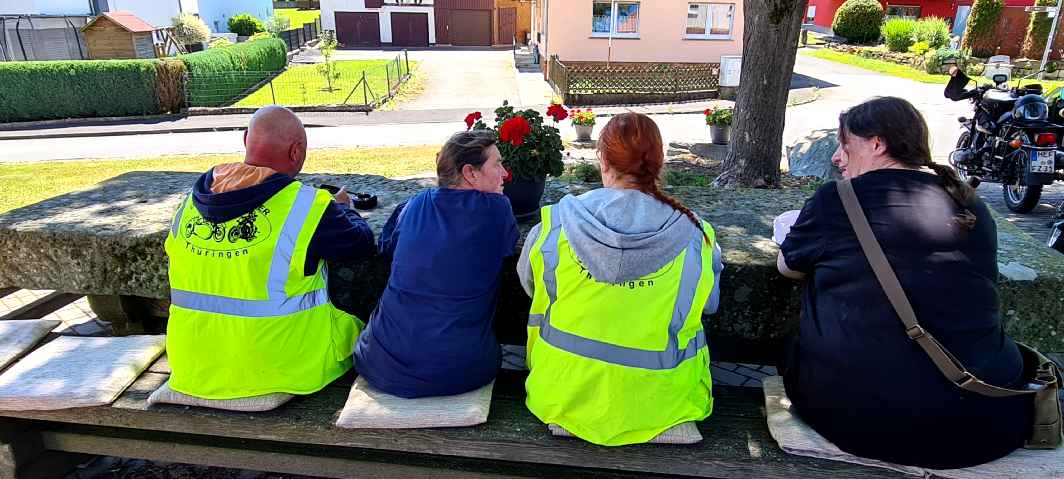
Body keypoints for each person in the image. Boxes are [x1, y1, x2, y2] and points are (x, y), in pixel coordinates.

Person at [777, 97, 1033, 468]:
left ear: (876, 144)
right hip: (984, 421)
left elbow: (788, 267)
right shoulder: (970, 204)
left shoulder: (837, 199)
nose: (837, 157)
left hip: (859, 419)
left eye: (844, 144)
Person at [517, 113, 723, 446]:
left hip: (561, 397)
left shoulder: (554, 225)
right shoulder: (696, 236)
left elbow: (532, 285)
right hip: (664, 405)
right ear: (658, 162)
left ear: (602, 159)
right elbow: (708, 304)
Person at [165, 106, 375, 400]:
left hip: (194, 368)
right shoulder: (307, 207)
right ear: (296, 152)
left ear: (245, 139)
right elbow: (361, 243)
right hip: (286, 370)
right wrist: (340, 207)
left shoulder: (189, 203)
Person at [353, 130, 518, 398]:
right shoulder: (497, 210)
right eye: (497, 164)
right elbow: (507, 246)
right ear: (470, 173)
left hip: (380, 365)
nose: (505, 173)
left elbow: (386, 246)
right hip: (463, 370)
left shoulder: (414, 204)